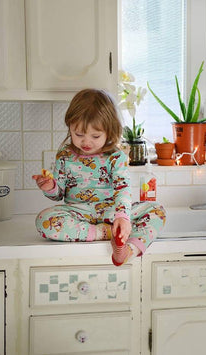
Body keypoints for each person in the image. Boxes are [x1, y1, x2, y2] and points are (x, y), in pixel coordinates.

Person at [32, 88, 166, 266]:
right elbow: (58, 195)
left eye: (95, 136)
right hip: (79, 213)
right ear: (70, 126)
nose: (86, 142)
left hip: (112, 212)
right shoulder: (65, 155)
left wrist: (122, 217)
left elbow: (123, 189)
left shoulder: (115, 157)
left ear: (109, 131)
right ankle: (106, 233)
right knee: (44, 221)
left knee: (157, 210)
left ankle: (129, 250)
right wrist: (50, 187)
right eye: (79, 134)